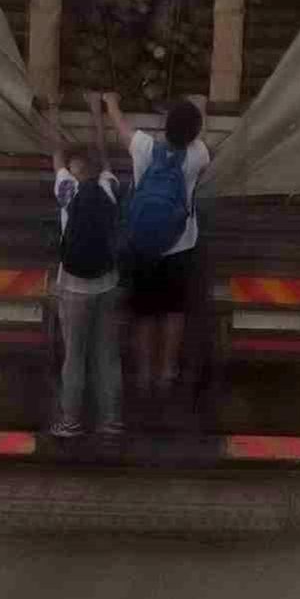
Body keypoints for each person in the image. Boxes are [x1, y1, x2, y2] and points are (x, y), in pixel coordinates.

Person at [103, 90, 210, 408]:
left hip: (143, 247)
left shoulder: (144, 149)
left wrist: (111, 103)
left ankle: (145, 375)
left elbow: (120, 127)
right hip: (180, 247)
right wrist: (199, 107)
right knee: (174, 312)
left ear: (164, 129)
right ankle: (167, 372)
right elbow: (194, 137)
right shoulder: (196, 156)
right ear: (193, 132)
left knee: (144, 313)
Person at [48, 91, 123, 438]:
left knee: (74, 356)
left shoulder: (67, 191)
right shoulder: (109, 188)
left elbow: (56, 152)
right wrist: (98, 112)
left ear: (76, 171)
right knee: (107, 355)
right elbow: (102, 153)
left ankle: (71, 421)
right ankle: (110, 421)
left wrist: (53, 110)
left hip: (74, 286)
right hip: (107, 282)